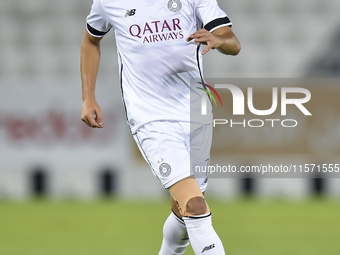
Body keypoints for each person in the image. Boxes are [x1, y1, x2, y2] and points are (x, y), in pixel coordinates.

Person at [80, 0, 240, 254]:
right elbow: (91, 40)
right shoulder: (108, 2)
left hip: (195, 114)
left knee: (184, 213)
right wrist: (88, 96)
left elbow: (233, 42)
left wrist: (219, 40)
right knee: (196, 206)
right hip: (150, 117)